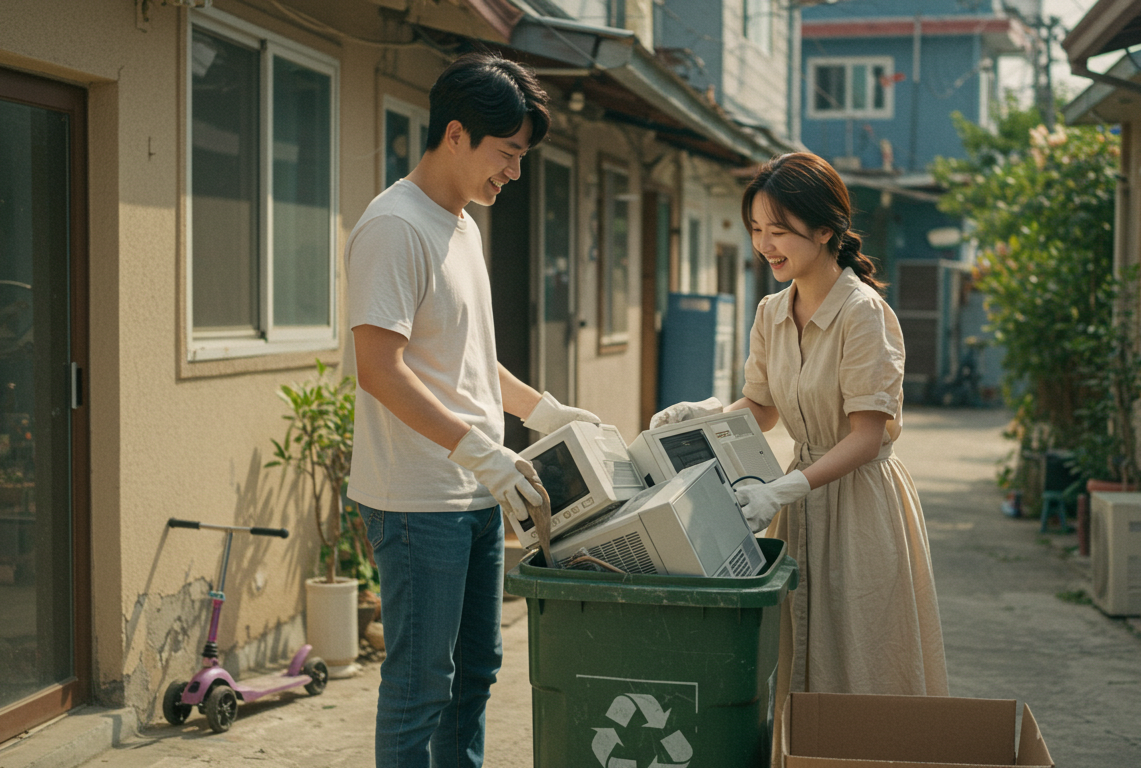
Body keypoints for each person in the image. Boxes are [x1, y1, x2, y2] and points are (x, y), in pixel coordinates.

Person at [651, 152, 948, 764]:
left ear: (825, 229)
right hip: (798, 501)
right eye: (757, 229)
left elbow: (870, 434)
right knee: (795, 659)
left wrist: (782, 489)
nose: (765, 244)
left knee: (863, 658)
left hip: (862, 506)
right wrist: (705, 416)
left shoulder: (864, 313)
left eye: (778, 229)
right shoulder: (770, 312)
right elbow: (760, 410)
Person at [346, 52, 599, 768]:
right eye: (507, 153)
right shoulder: (395, 226)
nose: (514, 172)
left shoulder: (461, 225)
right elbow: (379, 369)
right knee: (420, 684)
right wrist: (480, 450)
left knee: (476, 675)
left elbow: (462, 356)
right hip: (419, 500)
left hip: (479, 491)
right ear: (455, 134)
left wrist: (546, 412)